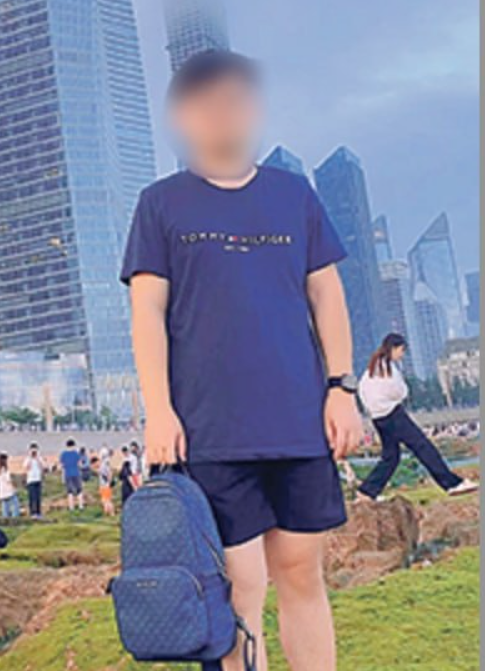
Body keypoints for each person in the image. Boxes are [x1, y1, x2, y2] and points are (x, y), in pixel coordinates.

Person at [120, 50, 363, 671]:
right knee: (239, 586)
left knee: (302, 572)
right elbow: (147, 313)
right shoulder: (161, 203)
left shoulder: (294, 195)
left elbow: (326, 294)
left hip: (298, 420)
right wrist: (159, 411)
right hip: (210, 428)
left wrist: (342, 389)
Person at [357, 333, 478, 501]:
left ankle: (367, 492)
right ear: (394, 348)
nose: (402, 355)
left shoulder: (371, 368)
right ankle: (452, 484)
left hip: (378, 418)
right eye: (402, 350)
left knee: (391, 457)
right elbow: (400, 391)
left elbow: (363, 392)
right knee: (423, 446)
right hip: (393, 415)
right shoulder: (388, 368)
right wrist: (398, 396)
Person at [59, 438, 84, 511]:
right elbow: (80, 464)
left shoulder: (63, 454)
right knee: (79, 490)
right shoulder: (76, 453)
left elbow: (61, 466)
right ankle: (81, 506)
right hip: (76, 473)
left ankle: (71, 507)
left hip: (67, 474)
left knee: (70, 491)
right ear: (73, 445)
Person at [23, 442, 44, 518]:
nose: (34, 452)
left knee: (38, 498)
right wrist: (30, 458)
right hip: (30, 480)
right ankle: (32, 513)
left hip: (38, 480)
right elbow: (26, 467)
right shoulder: (27, 459)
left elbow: (42, 467)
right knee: (32, 497)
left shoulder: (39, 458)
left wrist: (37, 458)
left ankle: (38, 513)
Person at [0, 452, 20, 518]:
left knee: (5, 507)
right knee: (16, 504)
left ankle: (5, 520)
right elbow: (9, 480)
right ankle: (15, 519)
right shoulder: (4, 469)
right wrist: (15, 488)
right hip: (9, 491)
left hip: (2, 492)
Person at [98, 447, 115, 516]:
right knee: (104, 500)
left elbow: (109, 474)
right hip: (104, 484)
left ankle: (112, 513)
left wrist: (109, 482)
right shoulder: (106, 462)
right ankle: (107, 513)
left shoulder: (105, 463)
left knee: (106, 500)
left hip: (105, 484)